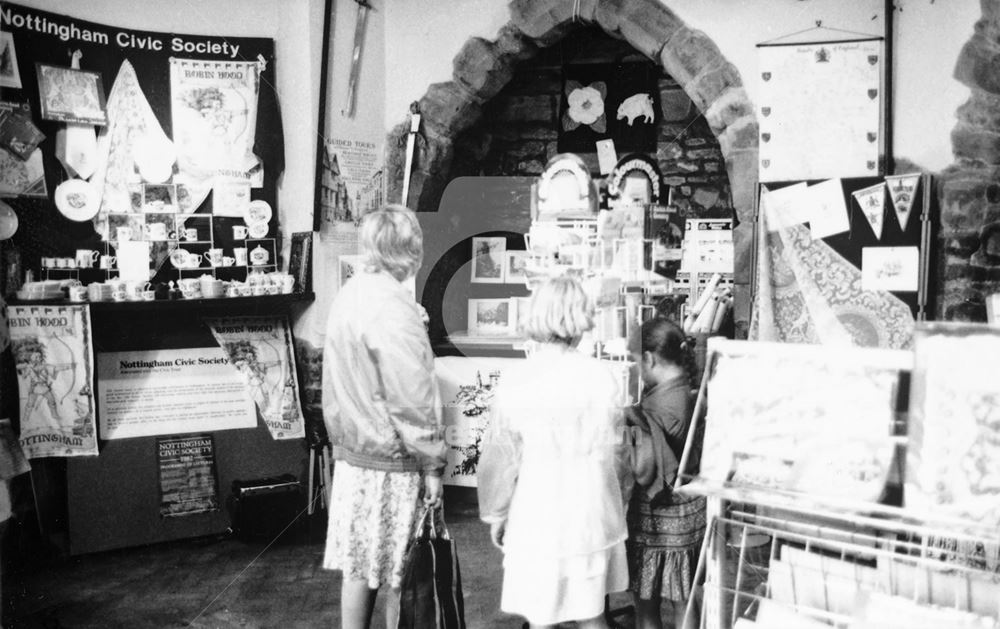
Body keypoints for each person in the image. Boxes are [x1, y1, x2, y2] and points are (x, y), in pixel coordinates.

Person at [321, 204, 447, 629]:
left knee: (360, 567)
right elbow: (412, 398)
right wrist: (432, 463)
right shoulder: (394, 307)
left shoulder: (351, 294)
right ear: (411, 249)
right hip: (391, 461)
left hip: (354, 458)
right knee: (403, 573)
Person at [478, 276, 628, 629]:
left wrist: (498, 512)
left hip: (537, 509)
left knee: (541, 615)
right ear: (581, 316)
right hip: (590, 510)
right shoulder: (602, 377)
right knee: (592, 616)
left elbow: (501, 457)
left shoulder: (517, 379)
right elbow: (615, 454)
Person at [625, 318, 707, 629]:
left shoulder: (658, 406)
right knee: (684, 599)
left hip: (657, 518)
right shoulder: (689, 392)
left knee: (647, 604)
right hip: (690, 512)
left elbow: (641, 466)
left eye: (636, 361)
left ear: (649, 358)